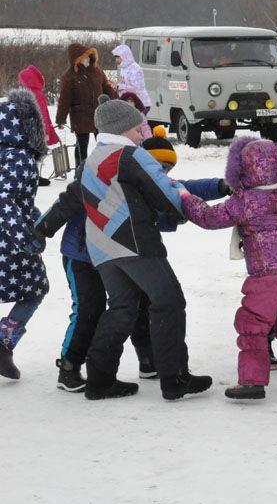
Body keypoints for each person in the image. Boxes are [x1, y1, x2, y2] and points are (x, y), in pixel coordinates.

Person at [38, 95, 212, 400]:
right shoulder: (130, 156)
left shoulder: (92, 160)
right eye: (136, 129)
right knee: (168, 300)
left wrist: (42, 229)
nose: (140, 135)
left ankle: (100, 379)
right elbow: (162, 190)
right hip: (135, 243)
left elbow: (71, 199)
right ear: (122, 130)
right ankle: (174, 378)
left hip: (102, 250)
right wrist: (184, 211)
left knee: (122, 308)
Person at [179, 137, 277, 400]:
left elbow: (210, 218)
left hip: (267, 276)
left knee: (253, 324)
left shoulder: (244, 201)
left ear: (240, 171)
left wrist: (187, 199)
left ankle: (252, 381)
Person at [0, 88, 49, 380]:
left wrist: (35, 216)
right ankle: (3, 344)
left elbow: (17, 199)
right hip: (9, 241)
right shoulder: (21, 157)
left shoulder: (6, 152)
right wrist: (25, 239)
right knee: (35, 289)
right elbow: (5, 199)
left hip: (10, 232)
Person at [55, 42, 117, 166]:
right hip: (80, 116)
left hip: (98, 113)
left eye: (89, 56)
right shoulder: (69, 76)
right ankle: (80, 171)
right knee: (81, 146)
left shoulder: (97, 70)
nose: (88, 59)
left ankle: (104, 169)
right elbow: (64, 100)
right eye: (84, 57)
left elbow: (106, 86)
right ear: (77, 60)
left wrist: (117, 99)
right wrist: (60, 119)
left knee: (103, 143)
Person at [18, 65, 61, 187]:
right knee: (37, 153)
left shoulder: (24, 92)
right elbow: (42, 114)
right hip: (38, 129)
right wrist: (46, 131)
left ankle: (30, 175)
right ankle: (35, 177)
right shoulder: (38, 94)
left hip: (27, 129)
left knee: (30, 153)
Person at [112, 44, 151, 112]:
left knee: (137, 122)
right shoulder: (123, 68)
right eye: (115, 57)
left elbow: (136, 88)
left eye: (117, 57)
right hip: (130, 103)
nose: (116, 60)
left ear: (124, 56)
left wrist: (119, 86)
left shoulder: (135, 69)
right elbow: (125, 85)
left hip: (140, 103)